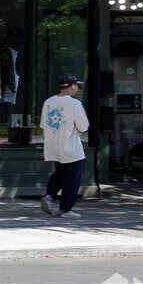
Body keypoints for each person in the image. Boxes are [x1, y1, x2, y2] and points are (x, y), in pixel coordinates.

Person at [39, 73, 90, 217]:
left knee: (60, 174)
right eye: (77, 86)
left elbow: (44, 124)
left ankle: (49, 196)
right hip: (71, 147)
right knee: (72, 179)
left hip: (54, 146)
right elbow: (83, 126)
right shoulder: (74, 103)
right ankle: (65, 209)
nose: (78, 89)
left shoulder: (48, 102)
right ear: (72, 86)